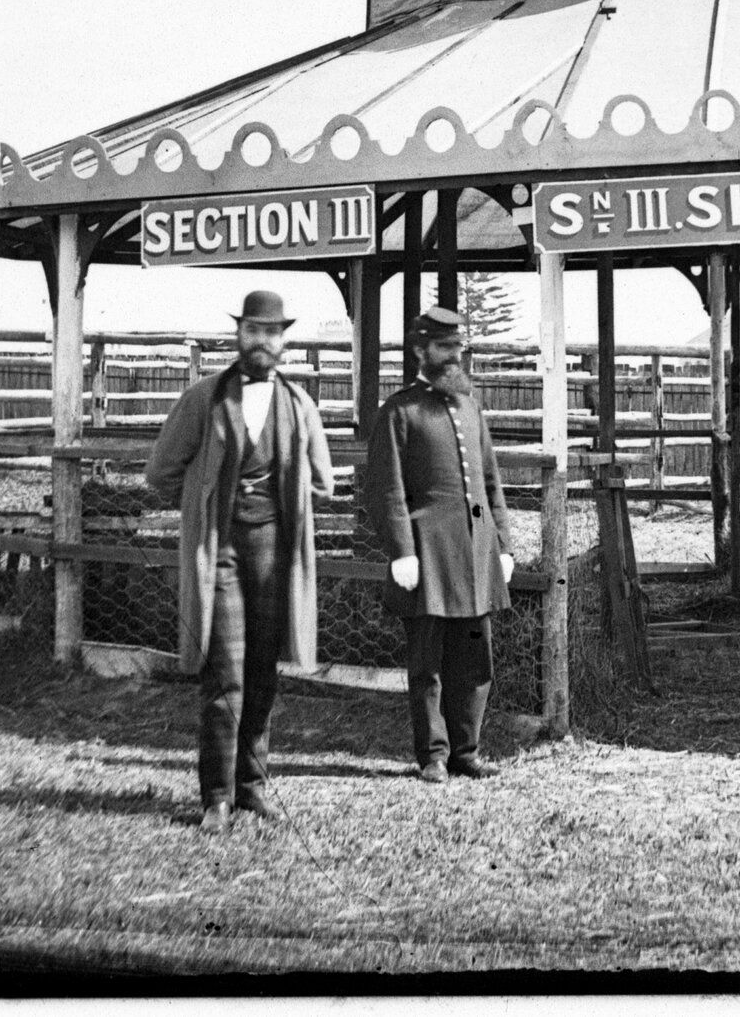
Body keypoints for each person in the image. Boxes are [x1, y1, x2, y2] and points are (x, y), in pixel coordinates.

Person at [144, 288, 335, 832]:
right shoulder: (205, 398)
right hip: (220, 553)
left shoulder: (299, 404)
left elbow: (322, 480)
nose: (261, 341)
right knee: (223, 672)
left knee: (262, 674)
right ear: (239, 335)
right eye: (252, 330)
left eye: (271, 333)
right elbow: (161, 472)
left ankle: (253, 787)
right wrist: (203, 497)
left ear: (283, 341)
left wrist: (287, 492)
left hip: (276, 553)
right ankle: (217, 798)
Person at [366, 304, 517, 783]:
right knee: (427, 662)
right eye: (444, 347)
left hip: (475, 552)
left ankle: (466, 751)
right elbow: (386, 489)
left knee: (474, 656)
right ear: (420, 350)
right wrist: (401, 550)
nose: (455, 356)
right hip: (427, 554)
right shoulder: (399, 411)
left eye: (459, 347)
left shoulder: (470, 406)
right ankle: (433, 754)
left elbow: (491, 481)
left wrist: (504, 544)